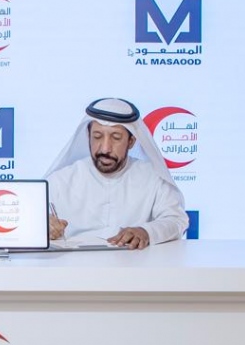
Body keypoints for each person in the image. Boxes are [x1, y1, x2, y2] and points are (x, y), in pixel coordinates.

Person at [44, 97, 188, 250]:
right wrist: (43, 226)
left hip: (134, 263)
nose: (105, 148)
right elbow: (32, 222)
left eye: (116, 138)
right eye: (97, 137)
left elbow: (176, 220)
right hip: (74, 263)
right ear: (88, 136)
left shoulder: (153, 177)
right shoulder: (60, 180)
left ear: (131, 141)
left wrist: (146, 232)